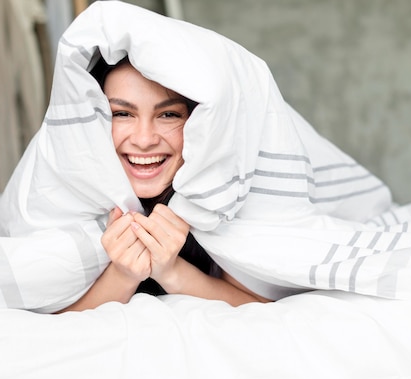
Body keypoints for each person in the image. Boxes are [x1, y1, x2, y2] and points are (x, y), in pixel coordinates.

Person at [59, 59, 270, 312]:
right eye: (122, 114)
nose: (144, 139)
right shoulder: (64, 189)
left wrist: (171, 271)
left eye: (168, 114)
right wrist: (123, 274)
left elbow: (264, 309)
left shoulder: (230, 190)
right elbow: (40, 322)